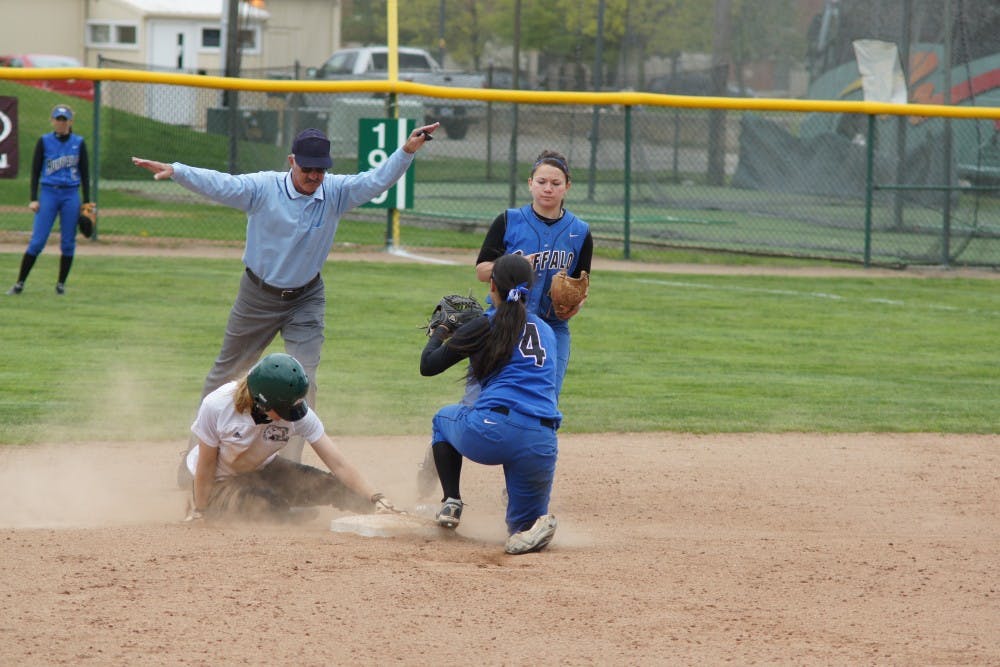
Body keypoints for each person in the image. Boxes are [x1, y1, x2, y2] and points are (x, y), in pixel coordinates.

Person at [132, 123, 439, 482]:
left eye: (320, 169)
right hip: (256, 295)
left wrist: (406, 152)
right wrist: (178, 171)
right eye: (307, 167)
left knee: (303, 382)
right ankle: (195, 466)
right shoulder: (264, 188)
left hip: (306, 298)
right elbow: (222, 184)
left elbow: (375, 181)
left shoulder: (336, 192)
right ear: (291, 161)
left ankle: (286, 474)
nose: (314, 175)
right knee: (224, 375)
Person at [416, 149, 591, 496]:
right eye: (541, 181)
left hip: (550, 329)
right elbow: (481, 269)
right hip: (500, 322)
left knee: (544, 404)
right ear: (530, 183)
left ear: (567, 187)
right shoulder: (509, 221)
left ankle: (521, 485)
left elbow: (580, 285)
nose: (548, 188)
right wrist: (509, 263)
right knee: (476, 400)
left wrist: (575, 306)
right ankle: (434, 465)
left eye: (556, 183)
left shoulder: (580, 232)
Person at [420, 254, 561, 555]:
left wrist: (443, 330)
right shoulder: (547, 332)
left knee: (443, 419)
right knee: (520, 528)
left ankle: (451, 502)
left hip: (491, 433)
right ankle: (530, 530)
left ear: (492, 285)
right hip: (542, 441)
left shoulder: (486, 325)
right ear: (529, 289)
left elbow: (428, 365)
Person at [184, 352, 399, 523]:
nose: (292, 415)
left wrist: (375, 497)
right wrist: (202, 509)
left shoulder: (298, 413)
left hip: (262, 469)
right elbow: (206, 463)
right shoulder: (217, 406)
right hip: (219, 482)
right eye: (283, 409)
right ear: (262, 402)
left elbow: (339, 464)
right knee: (267, 506)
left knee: (329, 486)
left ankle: (382, 511)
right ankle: (284, 512)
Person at [7, 104, 92, 296]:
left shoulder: (79, 143)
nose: (61, 123)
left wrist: (86, 203)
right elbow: (35, 171)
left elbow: (85, 175)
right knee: (37, 241)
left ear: (70, 122)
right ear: (52, 120)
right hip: (48, 193)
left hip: (71, 194)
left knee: (68, 242)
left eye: (64, 119)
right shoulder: (44, 141)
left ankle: (60, 285)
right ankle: (20, 283)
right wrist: (33, 198)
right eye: (58, 119)